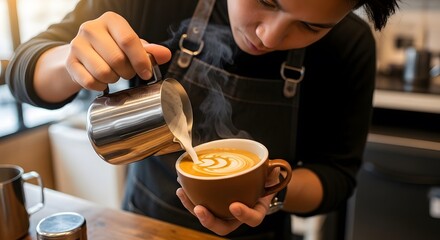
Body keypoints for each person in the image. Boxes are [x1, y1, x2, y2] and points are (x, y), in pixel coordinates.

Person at [6, 0, 400, 239]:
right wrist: (70, 62)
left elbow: (336, 177)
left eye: (311, 26)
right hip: (144, 226)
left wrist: (268, 192)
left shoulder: (350, 46)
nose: (269, 35)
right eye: (266, 0)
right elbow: (22, 71)